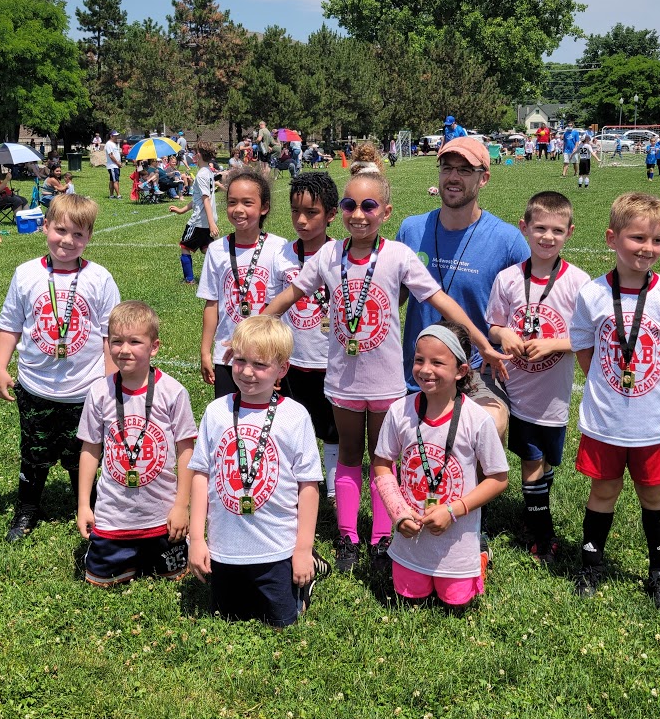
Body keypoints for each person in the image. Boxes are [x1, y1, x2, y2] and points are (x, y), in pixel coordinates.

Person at [265, 166, 503, 575]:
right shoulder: (327, 254)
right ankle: (347, 536)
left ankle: (380, 536)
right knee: (349, 456)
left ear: (386, 212)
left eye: (368, 205)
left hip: (388, 383)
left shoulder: (397, 255)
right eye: (349, 205)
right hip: (342, 380)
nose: (358, 214)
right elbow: (291, 294)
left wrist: (481, 342)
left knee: (383, 459)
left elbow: (440, 300)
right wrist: (255, 326)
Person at [570, 192, 660, 610]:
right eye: (637, 237)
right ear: (611, 238)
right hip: (605, 419)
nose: (648, 248)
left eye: (657, 240)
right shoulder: (591, 294)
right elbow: (585, 350)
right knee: (602, 490)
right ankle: (591, 563)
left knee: (653, 494)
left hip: (652, 421)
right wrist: (607, 387)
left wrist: (659, 394)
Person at [0, 194, 121, 540]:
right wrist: (0, 365)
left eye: (78, 234)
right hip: (35, 388)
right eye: (61, 230)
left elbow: (111, 335)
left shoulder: (100, 278)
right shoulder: (25, 274)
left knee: (85, 453)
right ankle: (28, 507)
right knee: (33, 453)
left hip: (86, 391)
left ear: (90, 237)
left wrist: (111, 383)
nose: (67, 240)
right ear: (45, 226)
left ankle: (93, 506)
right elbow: (10, 324)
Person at [186, 315, 325, 626]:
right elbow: (200, 475)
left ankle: (306, 574)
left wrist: (302, 549)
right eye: (240, 360)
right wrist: (197, 539)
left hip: (277, 548)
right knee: (226, 617)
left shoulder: (295, 416)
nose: (247, 372)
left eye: (260, 365)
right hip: (224, 549)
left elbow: (308, 485)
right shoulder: (216, 411)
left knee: (282, 621)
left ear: (282, 369)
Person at [394, 135, 529, 443]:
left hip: (476, 370)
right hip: (420, 369)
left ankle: (474, 488)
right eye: (447, 168)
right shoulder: (412, 229)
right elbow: (394, 296)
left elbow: (536, 296)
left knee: (490, 423)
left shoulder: (506, 240)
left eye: (465, 170)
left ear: (484, 178)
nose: (453, 177)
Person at [372, 322, 509, 610]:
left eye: (437, 362)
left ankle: (479, 554)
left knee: (456, 602)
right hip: (411, 538)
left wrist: (453, 510)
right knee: (410, 599)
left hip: (456, 539)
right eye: (419, 359)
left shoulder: (476, 419)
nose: (425, 369)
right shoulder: (400, 411)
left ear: (461, 371)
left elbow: (498, 478)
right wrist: (398, 513)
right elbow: (382, 464)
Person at [485, 191, 591, 564]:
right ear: (524, 228)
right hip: (514, 388)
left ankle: (533, 508)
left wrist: (554, 345)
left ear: (570, 232)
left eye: (557, 231)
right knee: (531, 461)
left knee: (546, 462)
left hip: (553, 394)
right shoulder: (508, 279)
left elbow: (587, 334)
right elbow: (494, 324)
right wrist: (505, 334)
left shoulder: (579, 282)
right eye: (540, 228)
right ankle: (540, 533)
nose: (547, 237)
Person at [75, 301, 197, 587]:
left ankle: (154, 549)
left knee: (176, 575)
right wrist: (83, 504)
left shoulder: (173, 392)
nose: (124, 349)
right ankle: (115, 552)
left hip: (163, 516)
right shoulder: (99, 392)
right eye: (116, 341)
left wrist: (182, 505)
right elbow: (90, 449)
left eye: (135, 341)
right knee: (100, 582)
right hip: (113, 515)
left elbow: (186, 450)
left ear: (154, 347)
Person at [277, 171, 342, 503]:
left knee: (331, 431)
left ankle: (332, 493)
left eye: (311, 212)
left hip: (330, 362)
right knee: (293, 428)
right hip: (293, 362)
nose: (301, 220)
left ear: (331, 215)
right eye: (294, 211)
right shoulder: (281, 256)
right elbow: (273, 307)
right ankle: (296, 489)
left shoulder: (341, 255)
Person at [197, 169, 288, 401]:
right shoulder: (216, 250)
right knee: (228, 416)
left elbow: (283, 306)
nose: (238, 209)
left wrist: (279, 356)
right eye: (232, 202)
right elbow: (212, 303)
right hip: (227, 354)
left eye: (247, 203)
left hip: (266, 354)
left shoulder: (280, 247)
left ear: (264, 207)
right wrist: (205, 351)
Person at [171, 143, 219, 285]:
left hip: (199, 221)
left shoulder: (202, 175)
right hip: (206, 220)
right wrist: (181, 210)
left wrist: (211, 224)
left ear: (198, 155)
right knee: (207, 249)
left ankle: (189, 280)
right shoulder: (208, 172)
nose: (191, 155)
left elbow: (205, 199)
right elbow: (198, 200)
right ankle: (220, 273)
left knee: (185, 248)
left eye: (193, 152)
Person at [104, 134, 122, 198]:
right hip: (113, 165)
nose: (117, 137)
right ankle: (118, 195)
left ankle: (111, 195)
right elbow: (111, 155)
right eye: (115, 136)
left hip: (115, 165)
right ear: (111, 136)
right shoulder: (109, 144)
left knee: (112, 180)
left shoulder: (113, 144)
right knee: (115, 181)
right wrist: (117, 163)